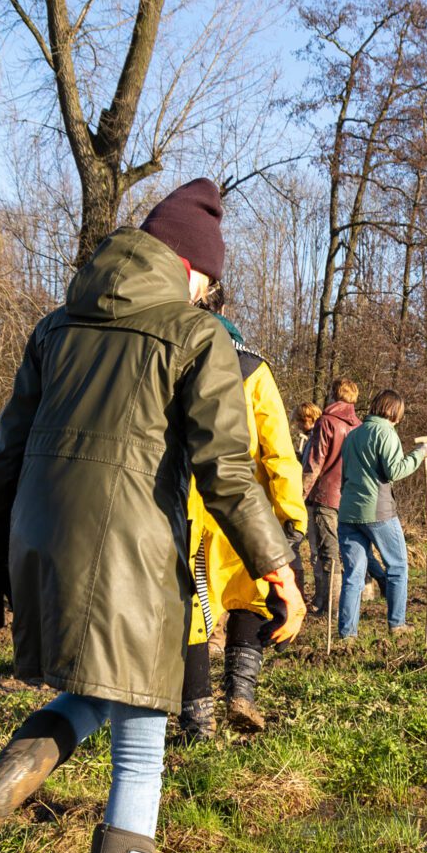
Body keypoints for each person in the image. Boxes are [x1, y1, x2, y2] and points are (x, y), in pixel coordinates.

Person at [0, 179, 300, 853]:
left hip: (39, 535)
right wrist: (278, 567)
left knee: (100, 691)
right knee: (141, 746)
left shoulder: (56, 327)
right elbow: (228, 470)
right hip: (132, 546)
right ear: (194, 270)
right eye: (211, 278)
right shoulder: (198, 334)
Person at [179, 309, 306, 738]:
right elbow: (279, 454)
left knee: (191, 610)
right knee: (253, 595)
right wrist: (291, 520)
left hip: (193, 508)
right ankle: (241, 695)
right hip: (249, 510)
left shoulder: (179, 361)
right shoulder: (255, 369)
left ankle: (198, 721)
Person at [335, 389, 427, 638]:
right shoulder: (385, 432)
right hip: (378, 511)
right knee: (397, 566)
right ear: (394, 411)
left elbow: (344, 474)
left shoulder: (353, 434)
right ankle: (397, 624)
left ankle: (347, 635)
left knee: (353, 576)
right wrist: (419, 454)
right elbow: (394, 471)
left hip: (347, 512)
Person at [301, 381, 360, 617]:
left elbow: (315, 462)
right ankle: (333, 604)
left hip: (326, 495)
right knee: (345, 550)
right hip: (349, 496)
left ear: (333, 394)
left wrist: (300, 494)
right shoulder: (358, 426)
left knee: (328, 552)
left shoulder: (326, 422)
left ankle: (331, 608)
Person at [289, 401, 323, 603]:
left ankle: (319, 597)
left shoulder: (317, 438)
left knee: (314, 549)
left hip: (312, 500)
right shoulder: (312, 438)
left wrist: (299, 495)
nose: (298, 426)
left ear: (307, 419)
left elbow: (313, 469)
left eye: (300, 422)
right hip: (311, 499)